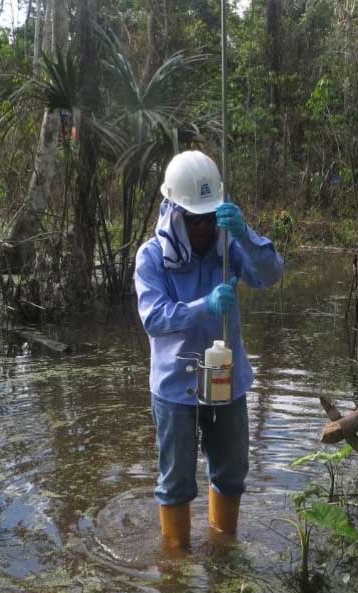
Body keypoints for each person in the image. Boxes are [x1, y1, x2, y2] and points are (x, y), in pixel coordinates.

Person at [133, 150, 285, 550]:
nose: (203, 227)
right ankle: (176, 564)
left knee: (232, 472)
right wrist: (204, 306)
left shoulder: (228, 245)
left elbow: (270, 275)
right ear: (174, 211)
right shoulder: (152, 257)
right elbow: (154, 319)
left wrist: (245, 233)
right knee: (176, 481)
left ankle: (224, 548)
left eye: (209, 218)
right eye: (193, 219)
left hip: (226, 380)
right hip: (175, 386)